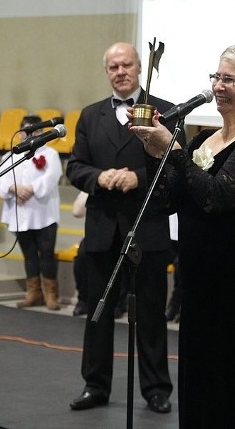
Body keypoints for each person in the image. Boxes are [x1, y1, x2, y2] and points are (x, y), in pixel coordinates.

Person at [130, 42, 235, 428]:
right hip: (200, 278)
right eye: (215, 76)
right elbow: (165, 202)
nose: (217, 85)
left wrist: (175, 151)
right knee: (202, 379)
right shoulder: (202, 142)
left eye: (228, 78)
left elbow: (217, 198)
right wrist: (154, 152)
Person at [66, 42, 177, 414]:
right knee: (98, 314)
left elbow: (178, 168)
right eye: (113, 66)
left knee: (150, 314)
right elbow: (75, 167)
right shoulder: (89, 115)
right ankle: (95, 385)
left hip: (147, 229)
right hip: (102, 231)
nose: (120, 71)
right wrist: (101, 176)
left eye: (126, 64)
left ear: (139, 66)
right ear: (106, 72)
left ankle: (157, 389)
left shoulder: (167, 112)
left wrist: (137, 178)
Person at [0, 115, 63, 310]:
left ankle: (51, 293)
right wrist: (14, 188)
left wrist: (30, 189)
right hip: (20, 211)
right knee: (29, 254)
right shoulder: (9, 156)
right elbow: (1, 181)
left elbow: (52, 177)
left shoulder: (50, 154)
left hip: (44, 213)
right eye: (28, 131)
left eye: (37, 131)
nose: (32, 135)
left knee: (47, 252)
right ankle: (34, 292)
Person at [70, 190, 89, 316]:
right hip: (97, 234)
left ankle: (119, 304)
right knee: (81, 257)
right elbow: (77, 212)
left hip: (126, 233)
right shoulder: (100, 178)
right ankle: (83, 300)